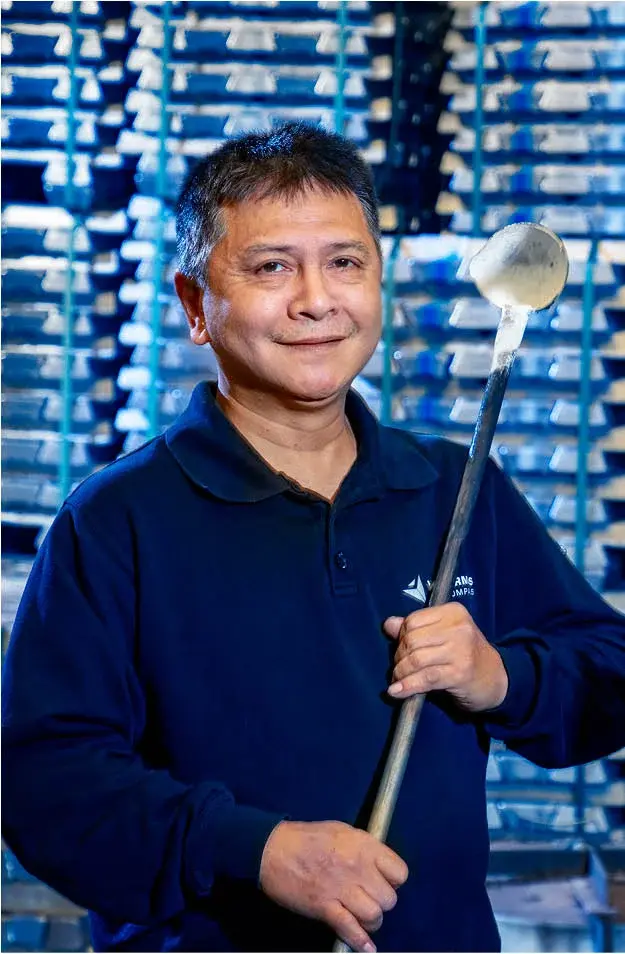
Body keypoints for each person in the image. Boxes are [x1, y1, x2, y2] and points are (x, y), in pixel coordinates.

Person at [3, 121, 625, 954]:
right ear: (194, 305)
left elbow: (606, 673)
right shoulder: (117, 521)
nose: (315, 299)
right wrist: (254, 849)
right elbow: (46, 785)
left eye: (345, 262)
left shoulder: (447, 487)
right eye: (271, 267)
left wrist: (500, 677)